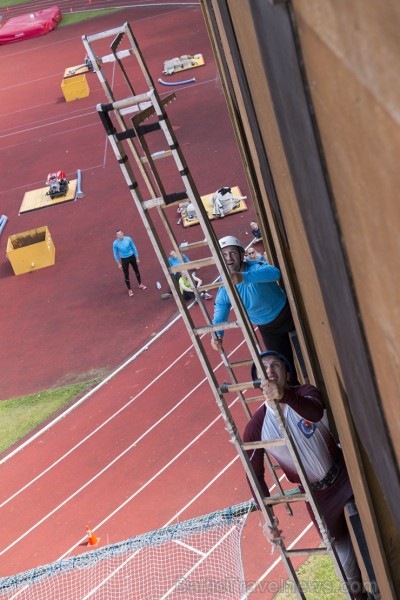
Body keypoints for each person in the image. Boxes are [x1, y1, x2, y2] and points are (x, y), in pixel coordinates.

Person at [243, 351, 366, 599]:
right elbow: (255, 476)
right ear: (257, 382)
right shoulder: (255, 428)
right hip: (317, 497)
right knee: (346, 571)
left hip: (345, 475)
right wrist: (267, 520)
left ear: (287, 373)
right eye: (263, 368)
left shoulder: (306, 393)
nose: (269, 371)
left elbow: (315, 413)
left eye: (276, 365)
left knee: (378, 528)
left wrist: (285, 395)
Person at [211, 235, 298, 382]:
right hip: (268, 329)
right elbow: (220, 314)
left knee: (310, 349)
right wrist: (216, 335)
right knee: (283, 370)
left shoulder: (255, 267)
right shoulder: (224, 290)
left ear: (241, 255)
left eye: (232, 252)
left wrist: (244, 277)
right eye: (224, 255)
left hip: (289, 315)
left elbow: (274, 273)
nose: (228, 258)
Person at [113, 229, 146, 297]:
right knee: (126, 274)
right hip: (124, 259)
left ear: (123, 233)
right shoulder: (115, 243)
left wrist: (137, 258)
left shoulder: (128, 239)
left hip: (132, 256)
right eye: (118, 234)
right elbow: (115, 254)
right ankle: (129, 289)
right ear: (116, 236)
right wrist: (118, 263)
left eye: (120, 233)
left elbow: (134, 248)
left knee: (136, 270)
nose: (120, 235)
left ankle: (140, 284)